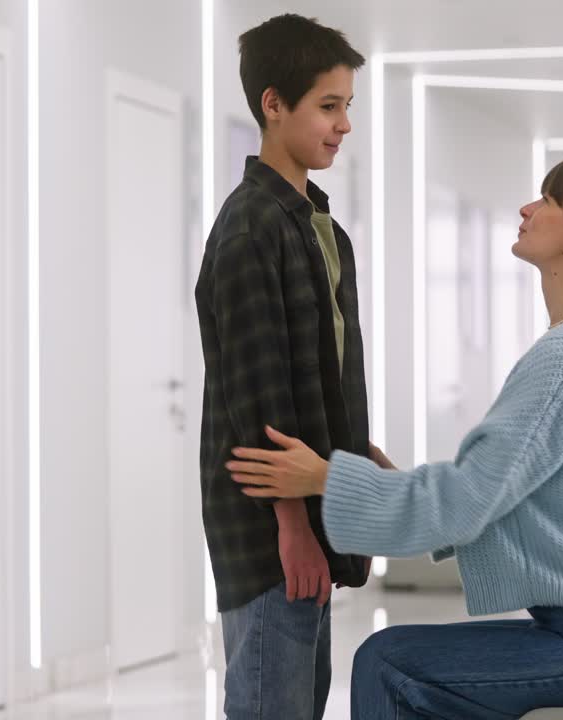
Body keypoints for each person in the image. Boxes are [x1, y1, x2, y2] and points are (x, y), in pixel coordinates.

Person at [226, 157, 563, 718]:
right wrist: (386, 484)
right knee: (394, 658)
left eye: (547, 200)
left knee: (386, 661)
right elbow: (499, 495)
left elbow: (465, 500)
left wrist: (324, 478)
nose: (527, 208)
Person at [193, 13, 375, 720]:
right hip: (270, 529)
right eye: (328, 106)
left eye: (346, 106)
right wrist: (293, 528)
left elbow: (325, 380)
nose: (343, 125)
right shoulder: (249, 230)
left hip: (312, 520)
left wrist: (363, 462)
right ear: (273, 104)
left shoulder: (319, 229)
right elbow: (259, 397)